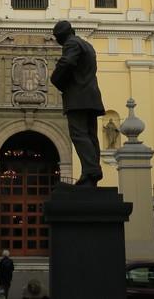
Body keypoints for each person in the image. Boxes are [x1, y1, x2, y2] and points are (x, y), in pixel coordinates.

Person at [49, 20, 104, 185]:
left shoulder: (71, 43)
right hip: (91, 96)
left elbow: (68, 62)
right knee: (90, 135)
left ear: (60, 37)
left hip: (78, 96)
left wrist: (56, 79)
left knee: (78, 134)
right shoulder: (87, 45)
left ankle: (91, 169)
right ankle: (92, 173)